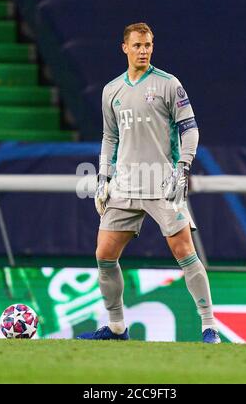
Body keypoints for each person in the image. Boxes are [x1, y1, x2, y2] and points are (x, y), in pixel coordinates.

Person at [77, 23, 221, 344]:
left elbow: (190, 130)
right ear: (124, 48)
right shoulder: (111, 91)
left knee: (183, 250)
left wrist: (183, 167)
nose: (144, 50)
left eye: (149, 45)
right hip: (126, 184)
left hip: (161, 181)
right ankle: (116, 327)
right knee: (104, 254)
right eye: (138, 45)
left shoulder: (169, 84)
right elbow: (110, 136)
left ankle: (209, 325)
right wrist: (104, 177)